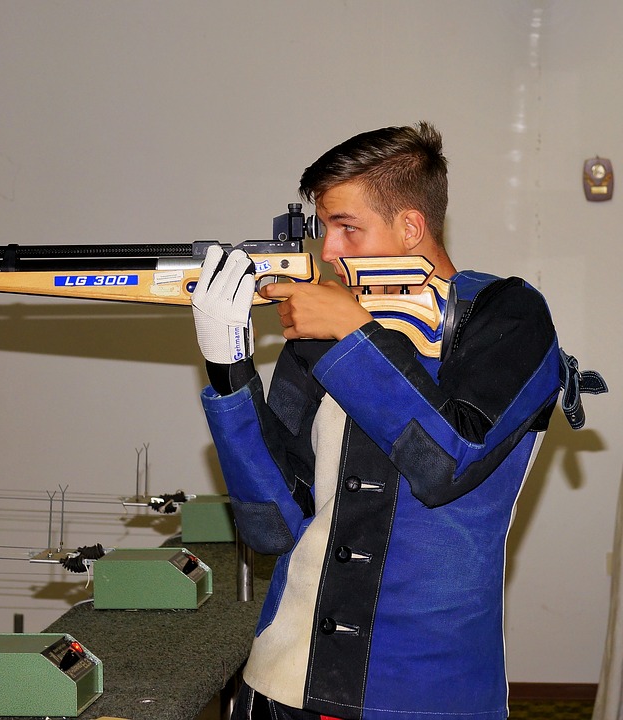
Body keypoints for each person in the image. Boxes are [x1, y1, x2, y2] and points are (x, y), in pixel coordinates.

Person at [190, 122, 606, 720]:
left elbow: (446, 463)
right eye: (324, 228)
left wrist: (353, 331)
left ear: (410, 227)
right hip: (284, 680)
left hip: (428, 690)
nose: (327, 252)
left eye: (347, 228)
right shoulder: (320, 335)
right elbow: (271, 526)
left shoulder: (509, 317)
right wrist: (229, 368)